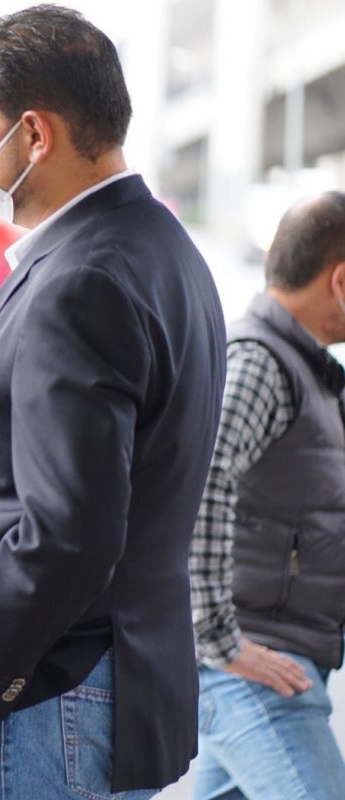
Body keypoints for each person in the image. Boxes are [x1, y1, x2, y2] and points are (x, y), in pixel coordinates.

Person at [0, 6, 226, 798]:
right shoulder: (161, 247)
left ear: (34, 134)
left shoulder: (80, 281)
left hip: (52, 691)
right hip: (111, 674)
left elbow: (70, 529)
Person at [189, 192, 345, 800]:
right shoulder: (262, 362)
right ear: (340, 280)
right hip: (256, 669)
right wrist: (219, 641)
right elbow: (202, 481)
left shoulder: (308, 370)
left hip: (269, 661)